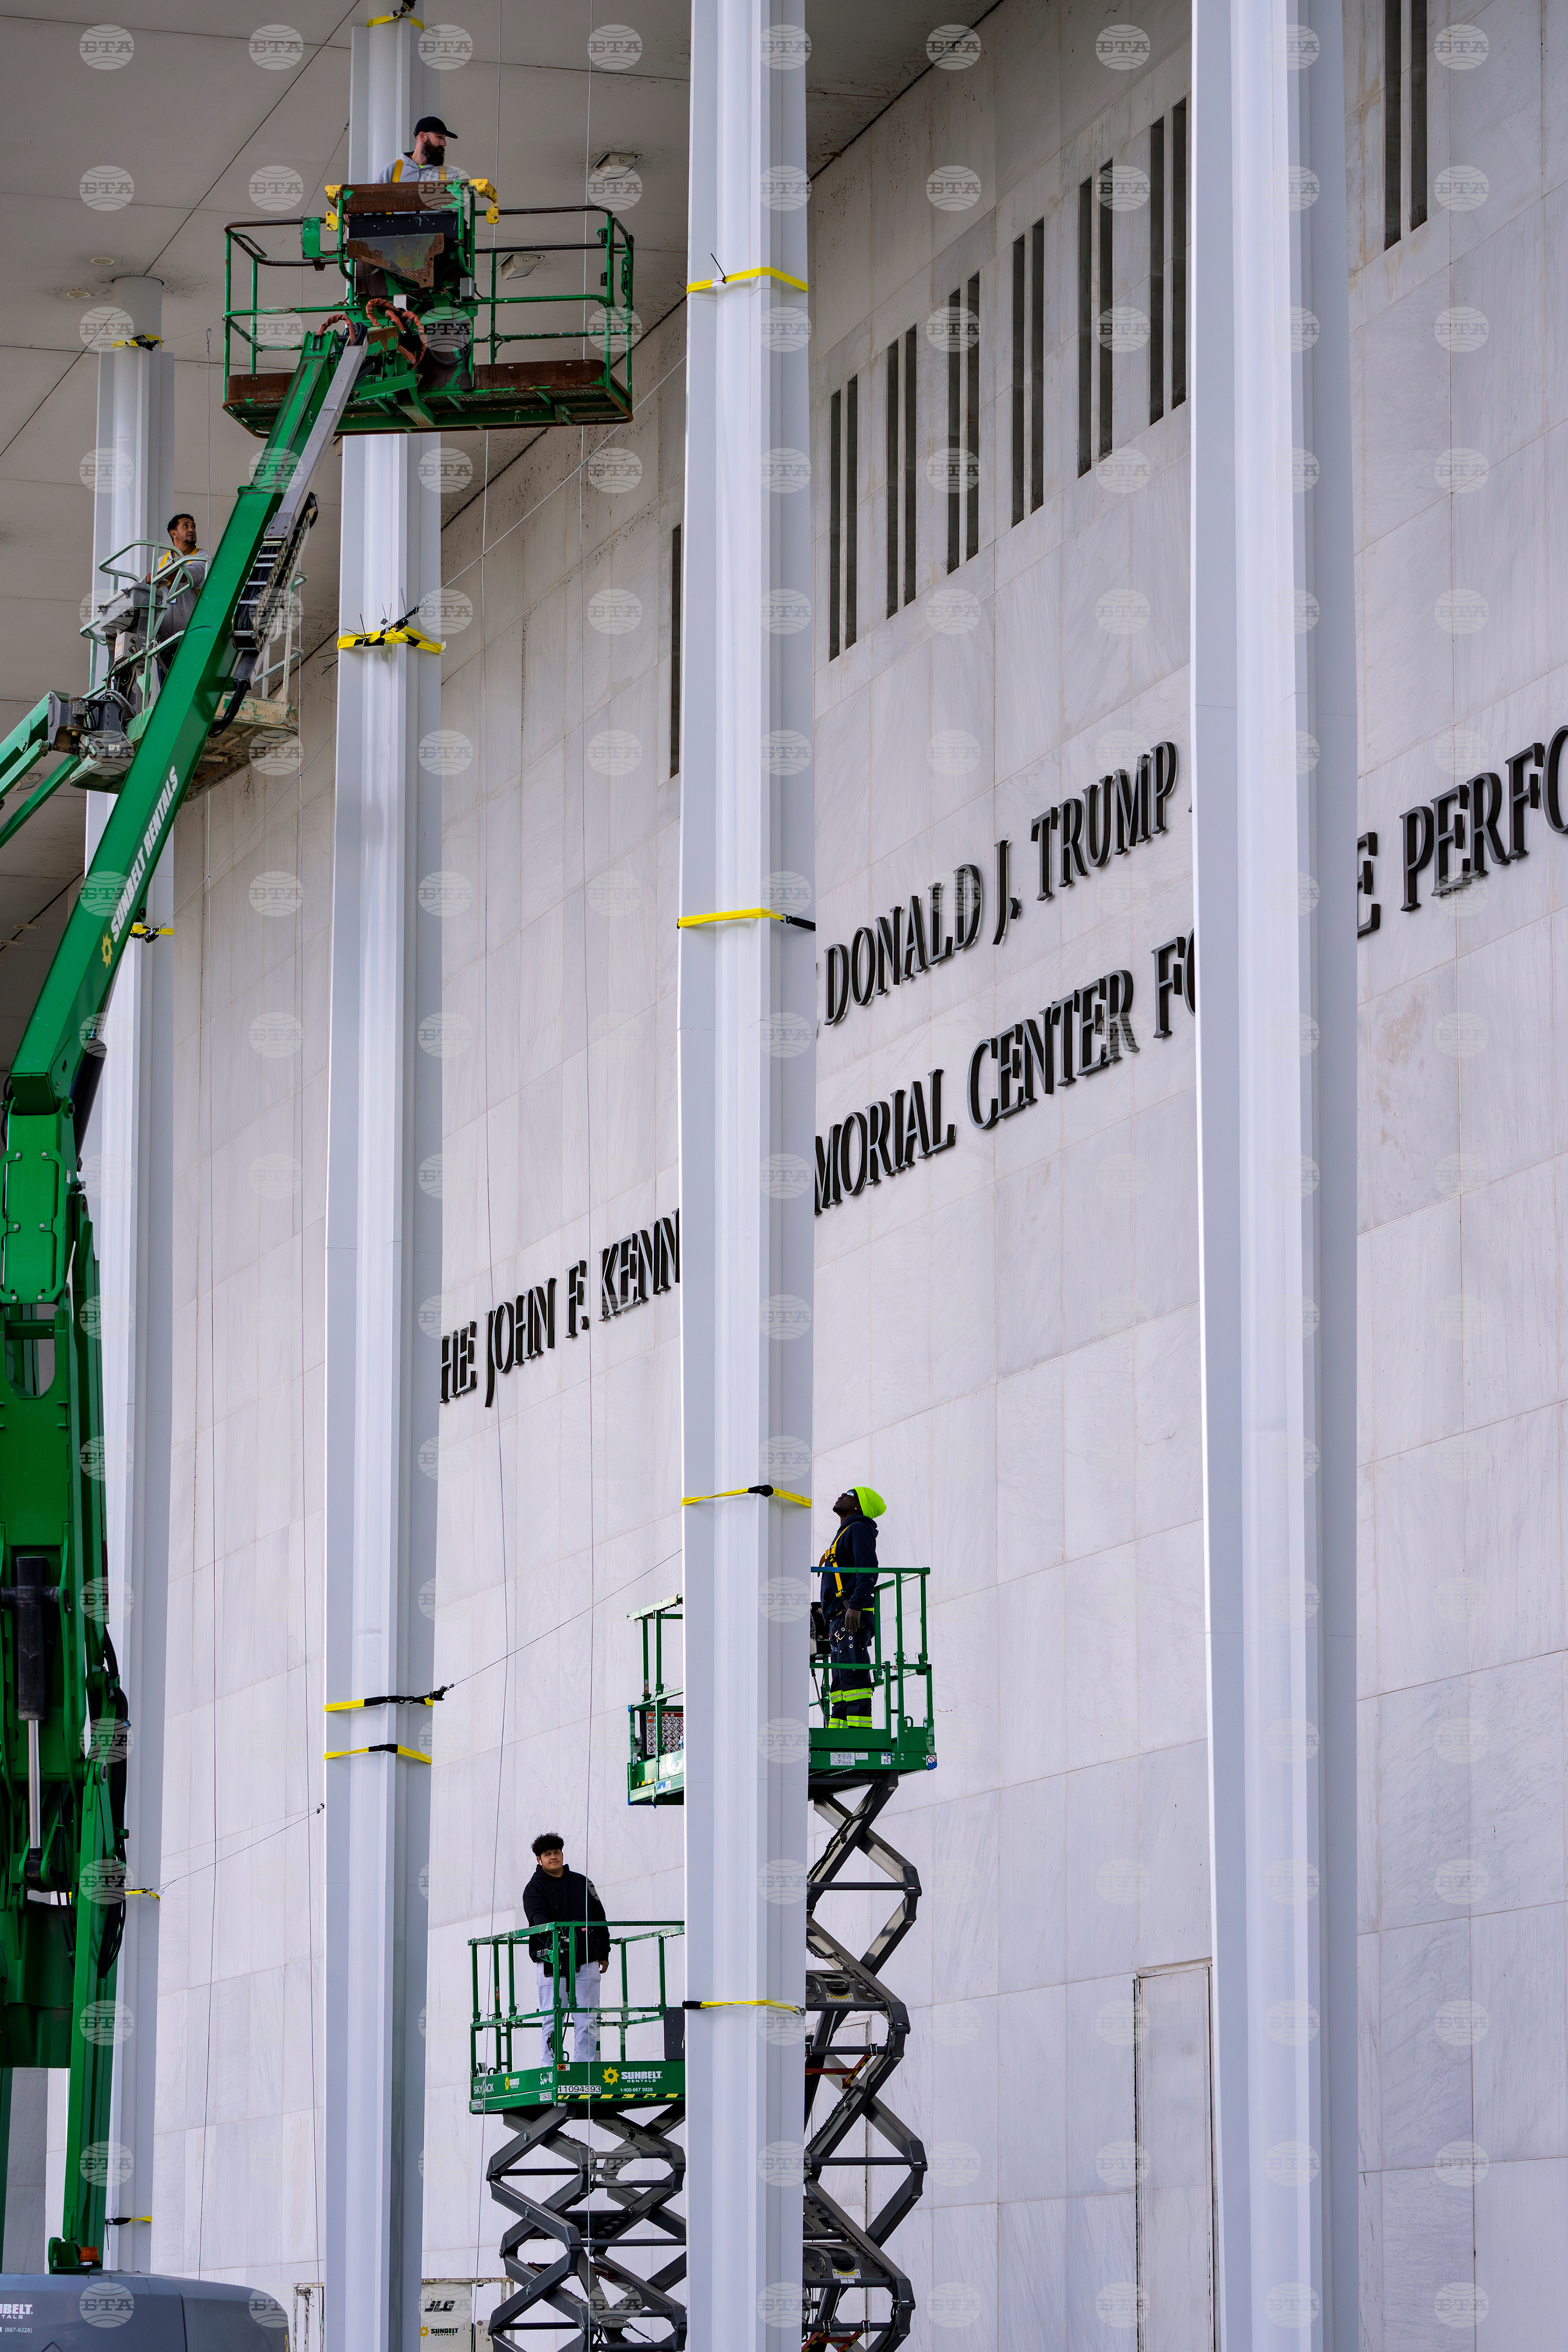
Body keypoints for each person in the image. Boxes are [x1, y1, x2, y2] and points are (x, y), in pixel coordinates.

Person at [523, 1831, 610, 2067]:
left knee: (588, 2020)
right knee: (553, 2020)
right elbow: (538, 1919)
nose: (554, 1857)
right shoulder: (534, 1889)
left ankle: (586, 2070)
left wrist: (604, 1952)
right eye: (548, 1854)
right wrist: (555, 1941)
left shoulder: (582, 1883)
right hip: (553, 1965)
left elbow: (600, 1917)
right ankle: (551, 2071)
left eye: (557, 1852)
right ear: (539, 1859)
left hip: (587, 1963)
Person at [818, 1486, 885, 1731]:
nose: (842, 1494)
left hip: (851, 1616)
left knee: (853, 1674)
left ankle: (859, 1734)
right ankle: (839, 1733)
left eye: (850, 1493)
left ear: (859, 1506)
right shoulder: (845, 1532)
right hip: (840, 1617)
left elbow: (868, 1569)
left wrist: (855, 1606)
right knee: (840, 1682)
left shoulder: (858, 1528)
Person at [379, 114, 457, 183]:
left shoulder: (450, 176)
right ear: (422, 137)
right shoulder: (391, 171)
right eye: (439, 137)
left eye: (444, 138)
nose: (444, 144)